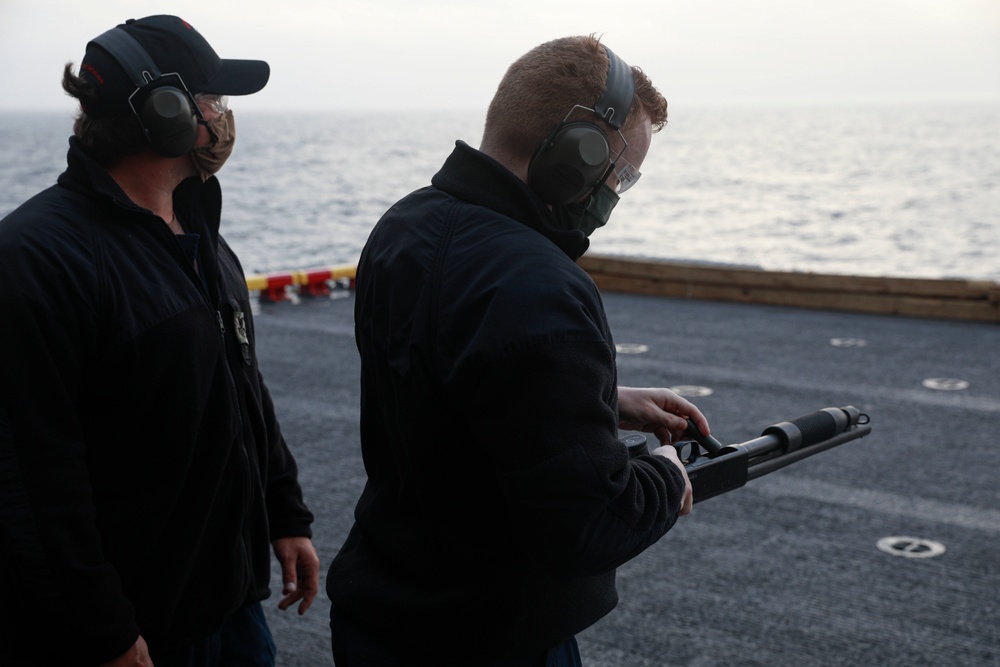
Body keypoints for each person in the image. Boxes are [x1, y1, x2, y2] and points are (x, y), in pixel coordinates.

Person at [326, 35, 709, 666]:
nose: (618, 192)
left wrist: (603, 400)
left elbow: (455, 389)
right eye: (624, 172)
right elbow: (586, 523)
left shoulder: (402, 227)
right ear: (576, 157)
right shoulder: (543, 286)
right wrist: (667, 474)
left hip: (383, 613)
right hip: (489, 636)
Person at [0, 15, 319, 667]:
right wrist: (105, 631)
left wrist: (285, 512)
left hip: (231, 608)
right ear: (167, 112)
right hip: (133, 634)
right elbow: (34, 481)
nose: (223, 116)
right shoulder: (35, 260)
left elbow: (240, 382)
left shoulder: (198, 232)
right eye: (213, 100)